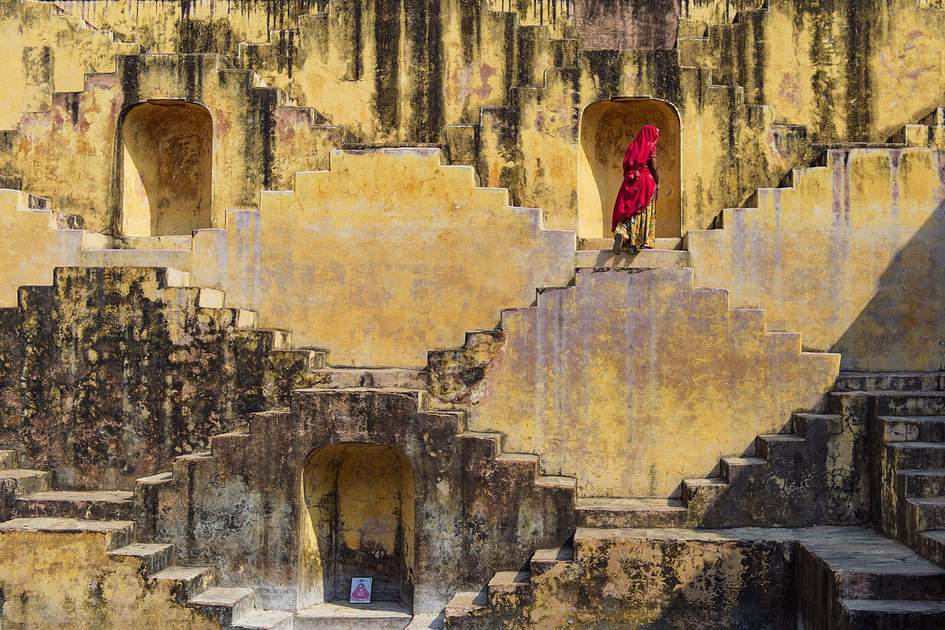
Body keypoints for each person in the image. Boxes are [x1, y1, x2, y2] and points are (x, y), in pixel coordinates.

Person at [611, 124, 660, 255]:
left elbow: (627, 165)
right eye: (656, 135)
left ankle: (623, 234)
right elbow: (654, 168)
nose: (656, 138)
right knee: (643, 210)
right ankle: (640, 242)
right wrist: (658, 183)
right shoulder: (651, 146)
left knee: (630, 209)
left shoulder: (633, 146)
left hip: (632, 179)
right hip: (646, 181)